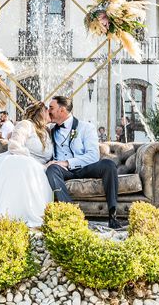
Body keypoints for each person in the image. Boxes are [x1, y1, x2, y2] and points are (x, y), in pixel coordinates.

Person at [46, 96, 121, 229]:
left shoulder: (86, 127)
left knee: (108, 165)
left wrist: (67, 162)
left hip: (85, 168)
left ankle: (113, 214)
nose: (48, 111)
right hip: (64, 172)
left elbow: (93, 156)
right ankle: (71, 214)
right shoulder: (50, 130)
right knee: (52, 169)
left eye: (51, 108)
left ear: (62, 110)